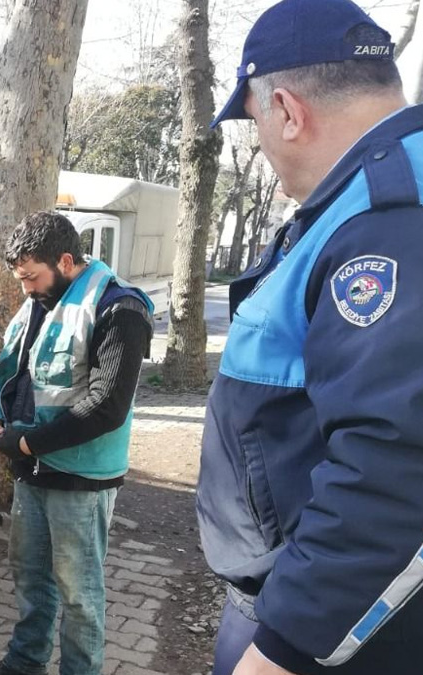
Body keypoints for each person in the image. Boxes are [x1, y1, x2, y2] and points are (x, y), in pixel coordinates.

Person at [201, 1, 423, 673]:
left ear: (289, 112)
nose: (261, 147)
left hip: (329, 634)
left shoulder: (387, 222)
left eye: (256, 120)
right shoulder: (360, 201)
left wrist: (283, 647)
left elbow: (394, 469)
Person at [0, 212, 154, 675]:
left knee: (78, 593)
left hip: (81, 476)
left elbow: (106, 407)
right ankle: (25, 663)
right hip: (33, 467)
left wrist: (28, 444)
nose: (26, 288)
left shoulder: (119, 309)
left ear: (66, 260)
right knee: (31, 577)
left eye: (31, 276)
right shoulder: (42, 299)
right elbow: (23, 375)